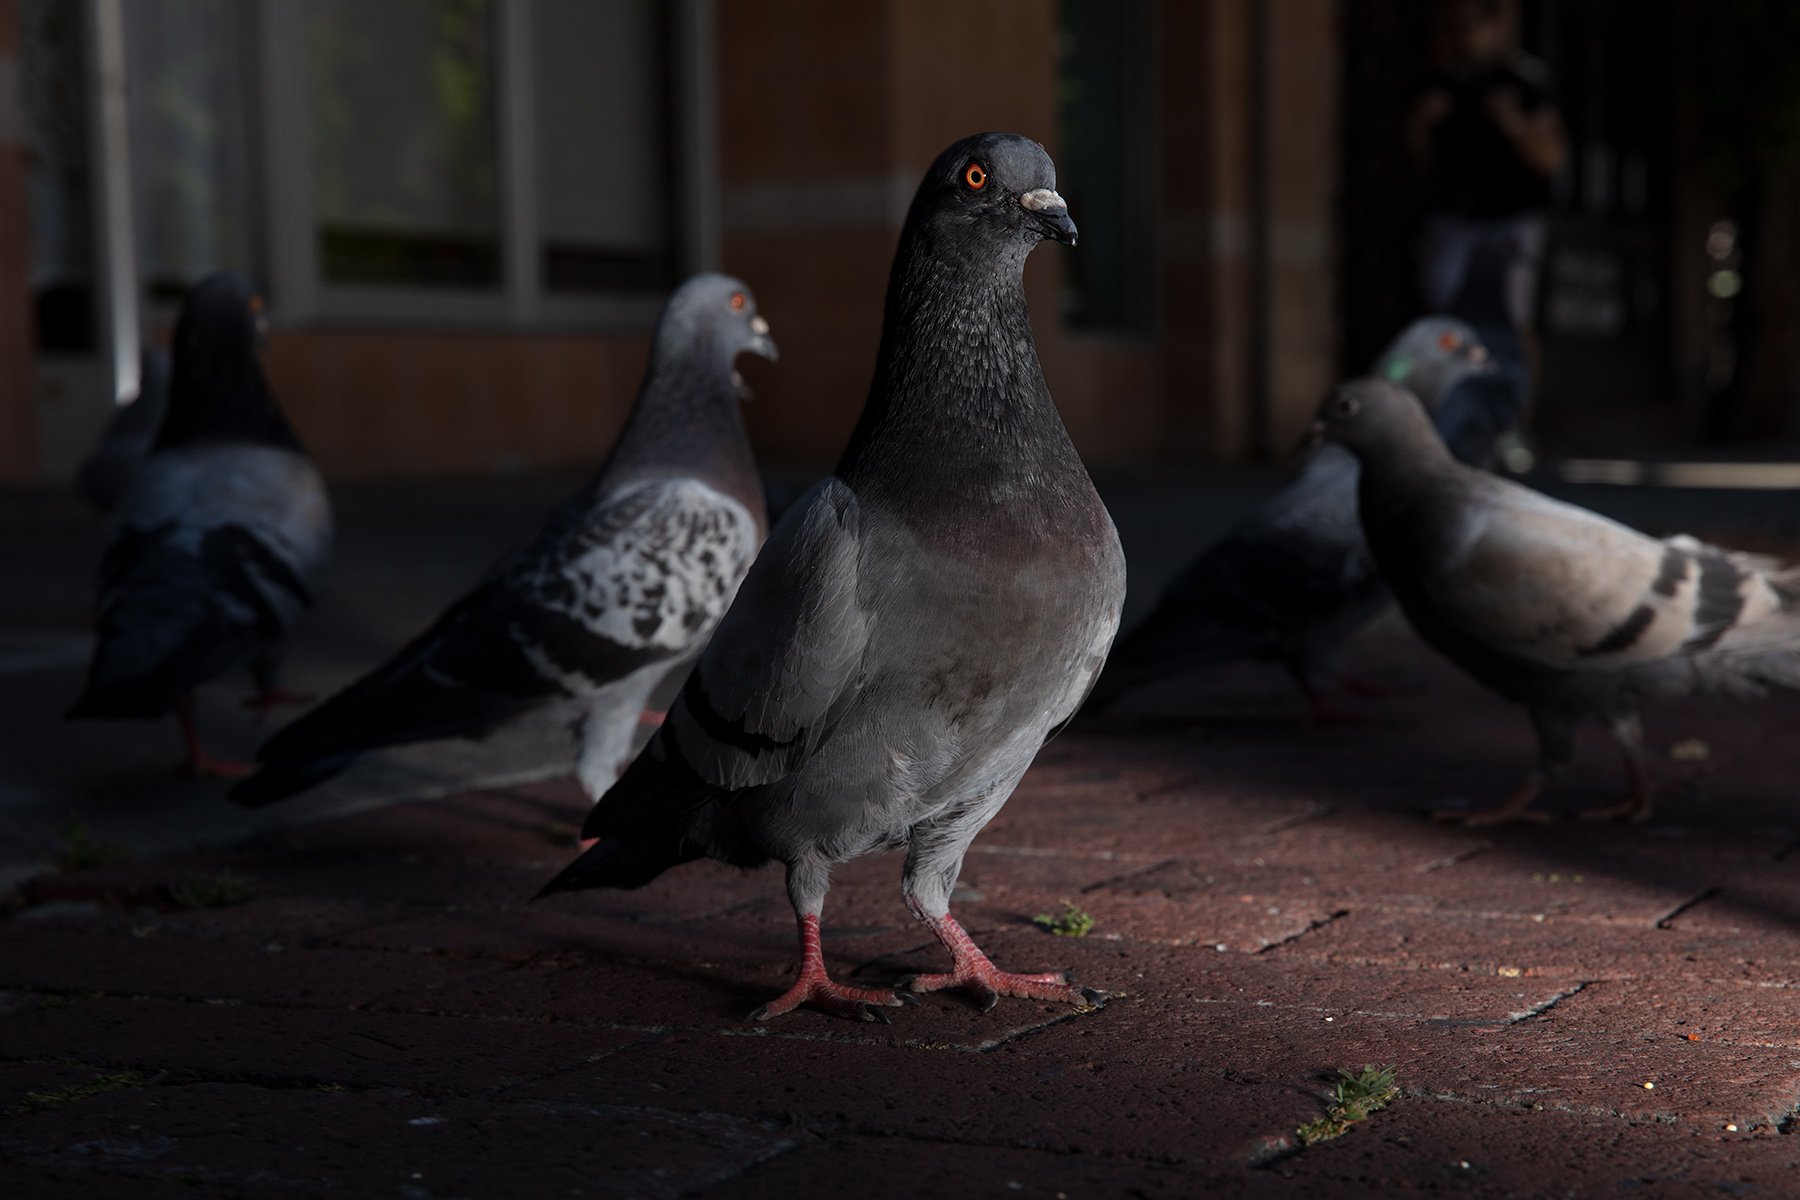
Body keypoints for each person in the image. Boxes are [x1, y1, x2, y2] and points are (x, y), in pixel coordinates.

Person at [1406, 0, 1566, 469]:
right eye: (1456, 26)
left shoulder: (1524, 81)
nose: (1466, 37)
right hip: (1455, 220)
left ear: (1496, 26)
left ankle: (1513, 423)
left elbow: (1551, 158)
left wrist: (1512, 124)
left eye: (1475, 24)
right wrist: (1422, 124)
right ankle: (1449, 422)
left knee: (1511, 322)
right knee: (1445, 324)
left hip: (1510, 220)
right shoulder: (1442, 84)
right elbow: (1419, 160)